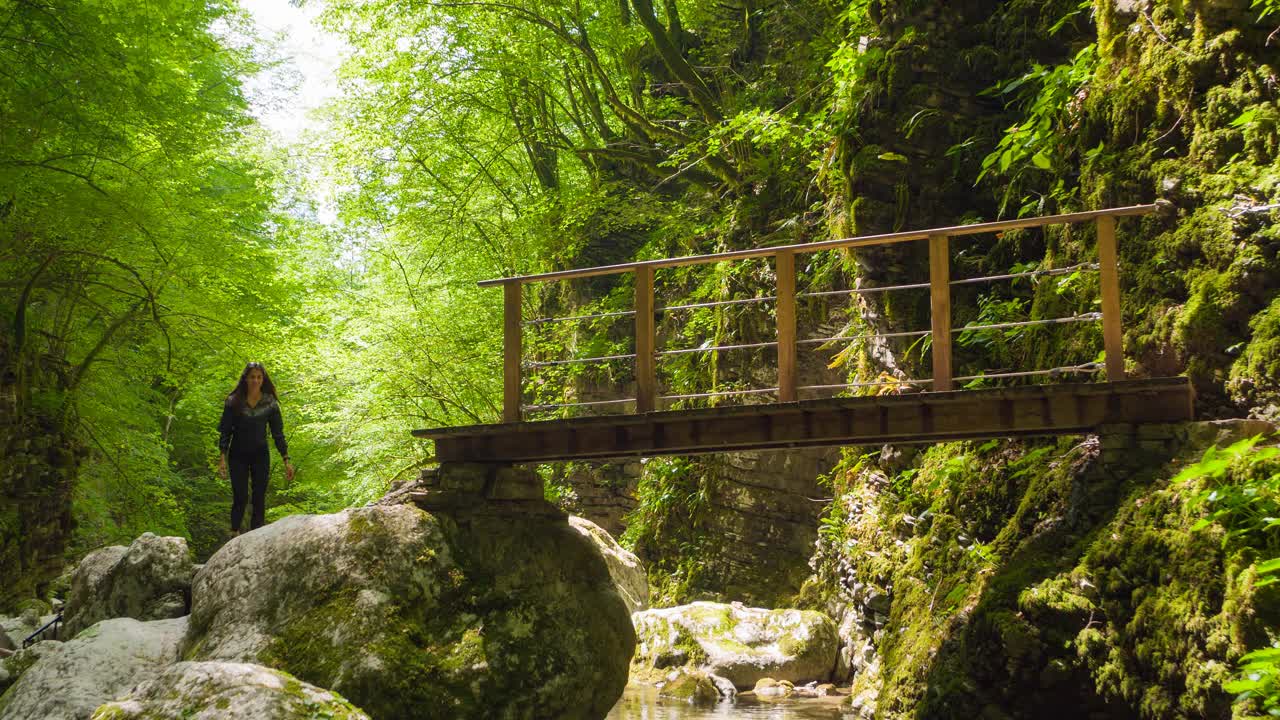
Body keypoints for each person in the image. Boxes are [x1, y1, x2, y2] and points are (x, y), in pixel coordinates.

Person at [217, 362, 294, 536]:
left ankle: (256, 535)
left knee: (259, 496)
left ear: (263, 379)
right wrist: (222, 457)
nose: (255, 380)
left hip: (260, 454)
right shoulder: (233, 401)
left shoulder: (270, 403)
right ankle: (234, 532)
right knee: (241, 496)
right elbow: (225, 431)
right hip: (237, 455)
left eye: (259, 377)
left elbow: (278, 434)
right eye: (252, 377)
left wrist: (286, 460)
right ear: (245, 378)